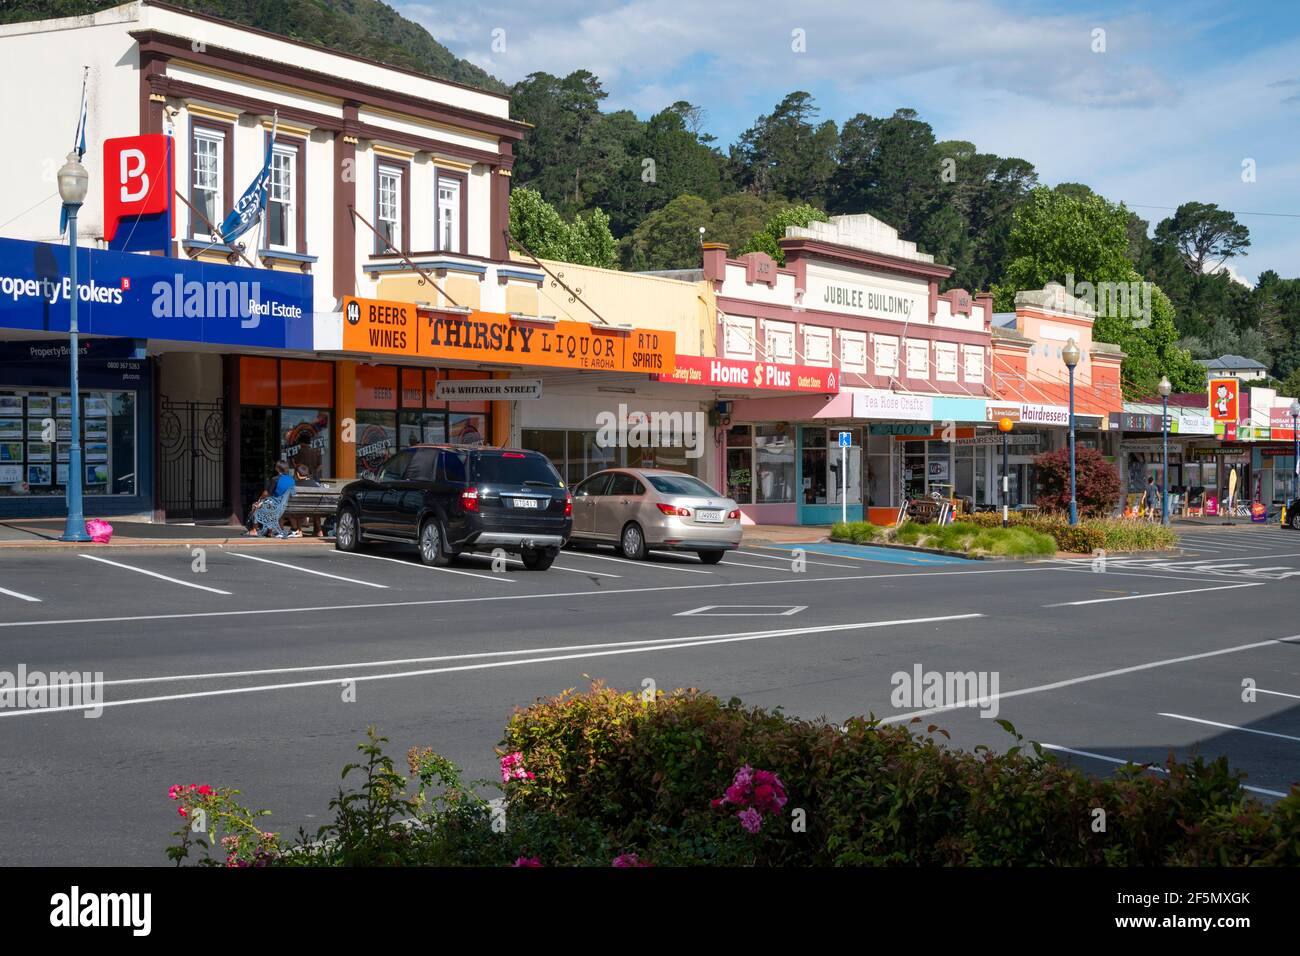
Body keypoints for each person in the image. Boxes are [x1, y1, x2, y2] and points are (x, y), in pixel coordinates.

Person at [247, 461, 297, 538]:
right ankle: (271, 530)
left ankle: (254, 529)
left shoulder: (275, 479)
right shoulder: (292, 479)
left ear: (277, 469)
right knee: (270, 505)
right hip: (289, 505)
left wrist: (260, 499)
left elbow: (267, 493)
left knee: (256, 505)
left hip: (277, 505)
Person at [288, 464, 325, 536]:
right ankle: (320, 531)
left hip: (299, 510)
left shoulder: (293, 485)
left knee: (294, 509)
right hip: (315, 509)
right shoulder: (314, 483)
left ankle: (299, 530)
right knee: (316, 512)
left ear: (298, 474)